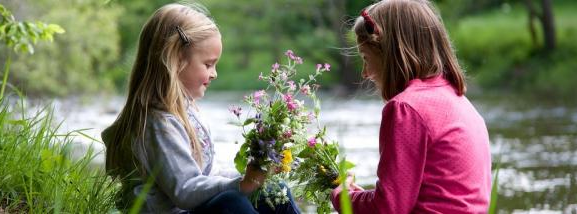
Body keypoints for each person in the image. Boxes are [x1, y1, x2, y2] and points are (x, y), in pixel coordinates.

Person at [100, 3, 300, 214]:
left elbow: (209, 174)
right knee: (233, 203)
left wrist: (256, 176)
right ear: (176, 60)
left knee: (276, 191)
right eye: (208, 64)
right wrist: (241, 185)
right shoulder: (158, 123)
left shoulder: (186, 112)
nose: (214, 74)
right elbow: (185, 191)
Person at [331, 0, 492, 213]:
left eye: (366, 59)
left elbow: (387, 209)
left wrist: (343, 197)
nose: (365, 73)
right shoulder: (462, 103)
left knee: (281, 197)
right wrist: (361, 197)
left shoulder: (406, 108)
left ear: (389, 53)